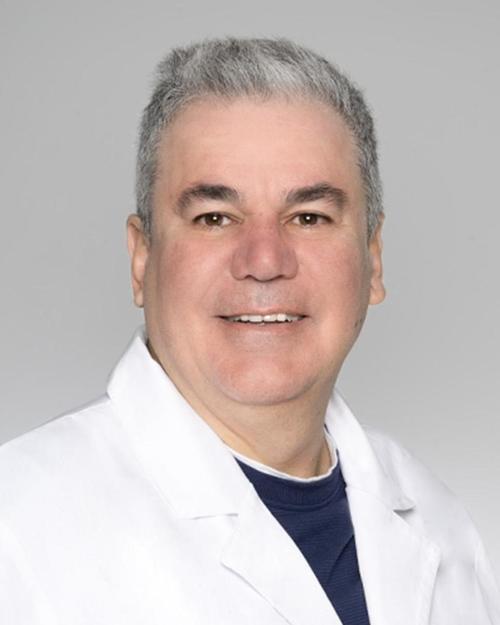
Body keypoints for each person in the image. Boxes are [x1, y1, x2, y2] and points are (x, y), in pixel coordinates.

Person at [0, 37, 498, 625]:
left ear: (373, 260)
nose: (264, 260)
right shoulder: (20, 528)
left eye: (308, 217)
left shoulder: (441, 523)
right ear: (141, 259)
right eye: (215, 218)